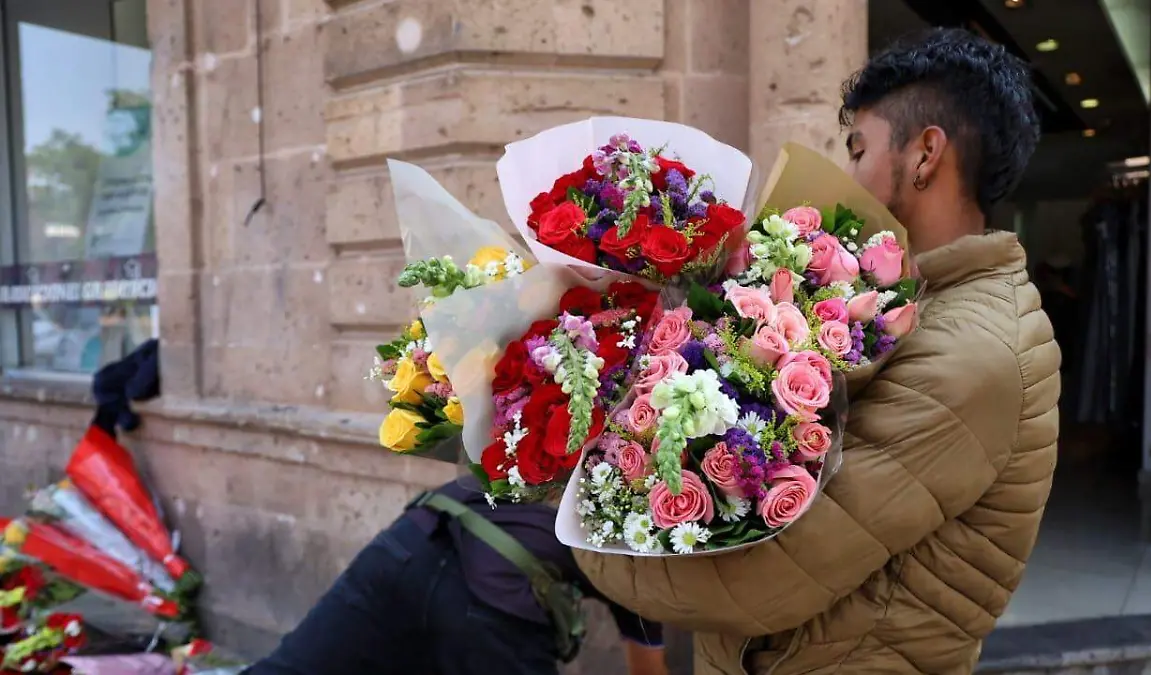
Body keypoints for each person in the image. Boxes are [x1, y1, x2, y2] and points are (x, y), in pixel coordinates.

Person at [573, 27, 1061, 674]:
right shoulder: (893, 296)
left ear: (925, 154)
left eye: (858, 148)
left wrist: (578, 514)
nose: (847, 172)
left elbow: (761, 579)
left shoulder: (973, 350)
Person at [246, 476, 668, 675]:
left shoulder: (549, 445)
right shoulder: (640, 544)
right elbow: (647, 667)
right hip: (491, 599)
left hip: (408, 545)